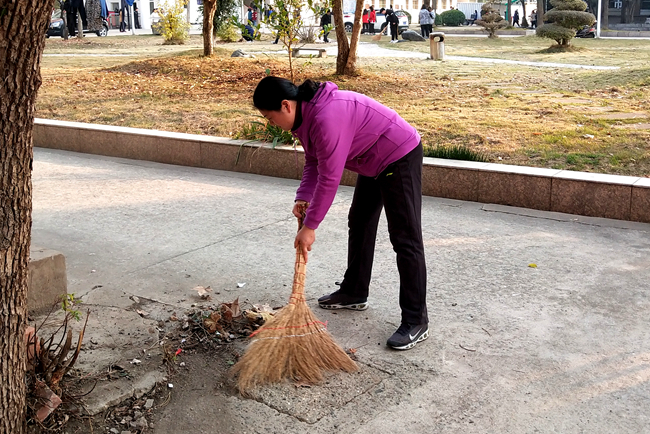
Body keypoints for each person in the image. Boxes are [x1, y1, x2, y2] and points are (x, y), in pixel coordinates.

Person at [253, 76, 429, 351]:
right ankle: (354, 291)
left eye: (270, 117)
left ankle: (416, 320)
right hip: (371, 158)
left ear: (285, 106)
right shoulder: (305, 116)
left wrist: (310, 227)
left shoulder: (325, 117)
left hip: (398, 154)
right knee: (359, 221)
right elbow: (314, 160)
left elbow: (329, 178)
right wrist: (302, 197)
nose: (270, 123)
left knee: (405, 238)